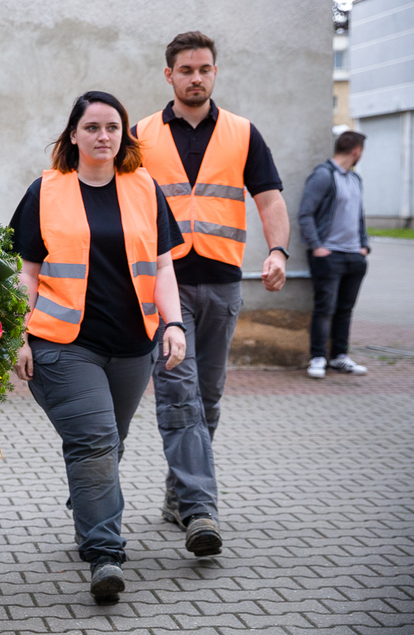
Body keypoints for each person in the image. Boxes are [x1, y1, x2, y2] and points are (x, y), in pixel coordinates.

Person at [11, 91, 186, 604]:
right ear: (73, 135)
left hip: (133, 345)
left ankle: (87, 500)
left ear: (124, 135)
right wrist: (19, 335)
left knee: (110, 443)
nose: (103, 135)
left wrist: (173, 324)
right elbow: (28, 272)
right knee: (94, 442)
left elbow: (164, 265)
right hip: (64, 346)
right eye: (92, 127)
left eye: (113, 127)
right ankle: (104, 552)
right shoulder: (45, 191)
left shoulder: (144, 188)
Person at [134, 31, 290, 557]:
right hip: (164, 285)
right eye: (186, 70)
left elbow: (268, 199)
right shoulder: (142, 135)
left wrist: (278, 251)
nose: (195, 77)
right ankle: (201, 509)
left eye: (204, 69)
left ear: (214, 72)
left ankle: (180, 493)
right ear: (169, 75)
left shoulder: (244, 133)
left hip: (222, 283)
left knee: (209, 396)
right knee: (178, 392)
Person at [299, 130, 370, 378]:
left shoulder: (355, 179)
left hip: (354, 257)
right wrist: (317, 247)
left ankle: (340, 356)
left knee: (345, 309)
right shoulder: (323, 176)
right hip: (329, 256)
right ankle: (318, 357)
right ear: (356, 151)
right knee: (324, 309)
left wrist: (365, 246)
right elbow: (305, 213)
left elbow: (359, 216)